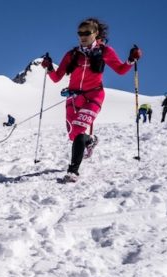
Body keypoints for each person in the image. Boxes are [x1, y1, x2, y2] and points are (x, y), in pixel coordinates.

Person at [41, 18, 140, 182]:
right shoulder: (72, 54)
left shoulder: (105, 51)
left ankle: (72, 171)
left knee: (79, 131)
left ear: (96, 33)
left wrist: (131, 59)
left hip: (94, 95)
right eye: (80, 33)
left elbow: (121, 70)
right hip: (73, 98)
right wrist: (50, 67)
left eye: (87, 32)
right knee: (74, 136)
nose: (82, 36)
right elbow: (56, 78)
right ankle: (91, 140)